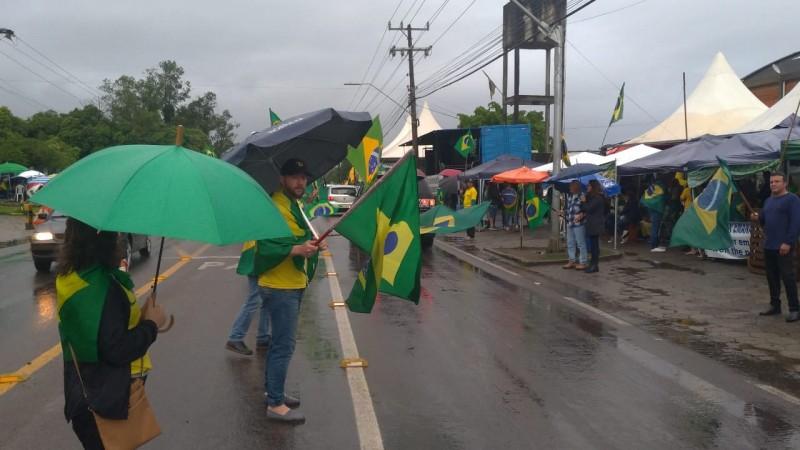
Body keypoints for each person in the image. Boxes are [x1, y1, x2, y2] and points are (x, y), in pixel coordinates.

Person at [57, 217, 169, 449]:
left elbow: (95, 332)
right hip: (107, 398)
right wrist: (151, 325)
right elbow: (116, 349)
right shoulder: (105, 289)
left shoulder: (72, 279)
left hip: (82, 391)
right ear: (107, 241)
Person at [251, 158, 326, 423]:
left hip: (292, 282)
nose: (300, 182)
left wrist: (311, 245)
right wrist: (297, 248)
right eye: (294, 177)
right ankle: (275, 404)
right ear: (282, 179)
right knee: (284, 346)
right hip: (280, 287)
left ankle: (274, 391)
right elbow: (267, 245)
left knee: (278, 345)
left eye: (303, 177)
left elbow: (298, 237)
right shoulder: (276, 206)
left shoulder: (294, 205)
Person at [752, 172, 800, 323]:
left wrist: (788, 242)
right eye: (772, 182)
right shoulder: (768, 201)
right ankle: (775, 305)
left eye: (777, 181)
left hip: (783, 245)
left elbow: (795, 223)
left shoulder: (792, 200)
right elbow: (764, 221)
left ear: (784, 183)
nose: (773, 184)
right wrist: (757, 217)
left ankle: (794, 309)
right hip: (769, 245)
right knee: (772, 278)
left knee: (788, 277)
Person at [224, 273, 271, 356]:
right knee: (255, 299)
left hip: (261, 265)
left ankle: (263, 338)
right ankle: (235, 337)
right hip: (258, 265)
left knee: (266, 298)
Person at [562, 180, 588, 270]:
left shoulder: (582, 196)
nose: (570, 188)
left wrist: (582, 215)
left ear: (575, 187)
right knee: (570, 243)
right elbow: (569, 209)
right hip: (570, 222)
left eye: (571, 186)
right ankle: (572, 260)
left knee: (580, 243)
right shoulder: (570, 196)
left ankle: (583, 262)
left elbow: (586, 209)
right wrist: (563, 212)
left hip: (579, 224)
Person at [583, 180, 605, 273]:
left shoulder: (597, 198)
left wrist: (584, 202)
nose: (587, 187)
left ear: (592, 187)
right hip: (592, 224)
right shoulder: (592, 197)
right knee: (593, 245)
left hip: (595, 225)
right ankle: (593, 264)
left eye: (589, 186)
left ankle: (594, 265)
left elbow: (588, 209)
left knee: (594, 246)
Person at [642, 177, 667, 252]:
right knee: (655, 228)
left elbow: (644, 200)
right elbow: (663, 198)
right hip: (657, 210)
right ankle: (654, 246)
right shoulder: (659, 188)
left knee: (655, 227)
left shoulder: (650, 188)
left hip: (651, 210)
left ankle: (656, 245)